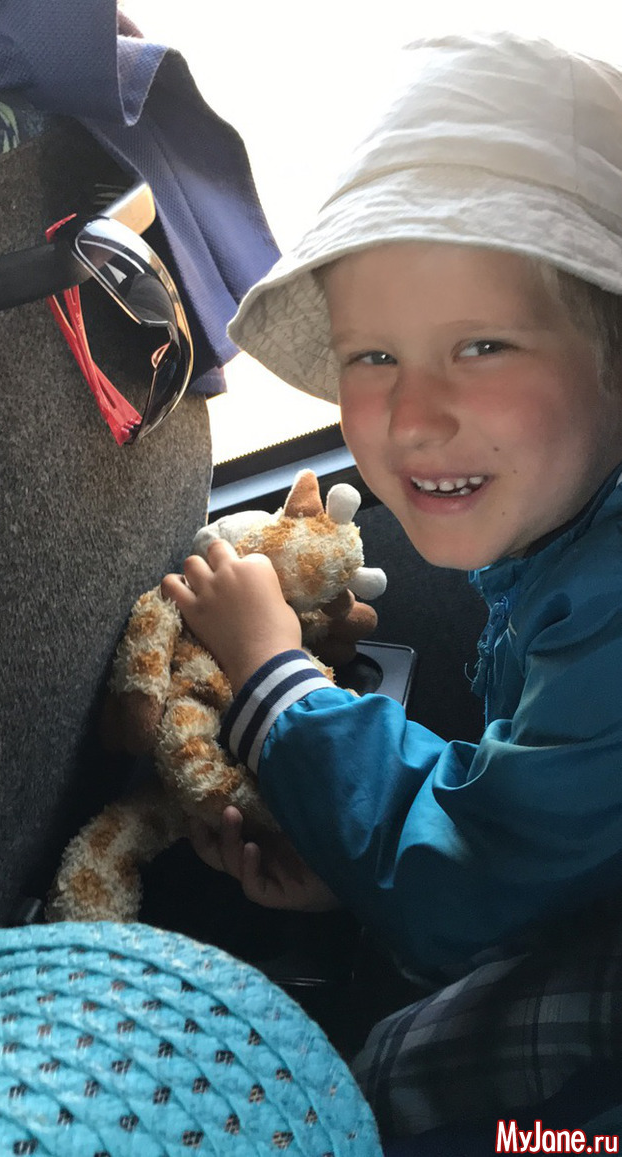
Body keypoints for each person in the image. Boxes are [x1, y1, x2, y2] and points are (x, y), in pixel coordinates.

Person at [161, 31, 622, 1140]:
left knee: (391, 1084)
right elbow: (536, 810)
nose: (412, 417)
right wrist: (353, 864)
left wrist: (274, 676)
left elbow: (471, 880)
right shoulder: (567, 535)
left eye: (482, 345)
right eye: (372, 356)